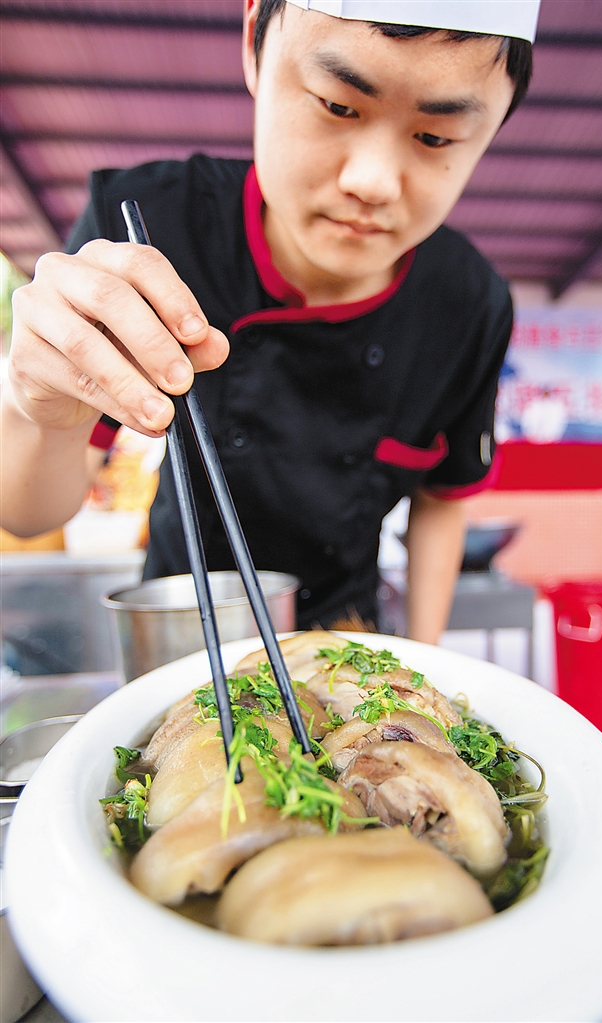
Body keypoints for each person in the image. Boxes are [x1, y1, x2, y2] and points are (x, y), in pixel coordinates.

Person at [0, 0, 538, 643]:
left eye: (435, 138)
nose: (372, 182)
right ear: (254, 36)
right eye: (338, 105)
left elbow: (441, 503)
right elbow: (27, 516)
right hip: (182, 634)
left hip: (348, 644)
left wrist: (426, 667)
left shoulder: (469, 301)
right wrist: (34, 408)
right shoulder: (148, 230)